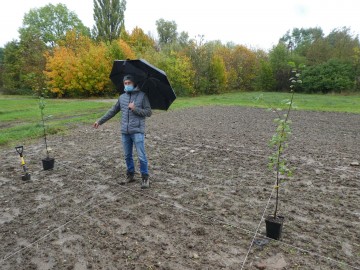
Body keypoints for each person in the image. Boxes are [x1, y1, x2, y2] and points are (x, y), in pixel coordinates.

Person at [93, 75, 152, 189]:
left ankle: (145, 177)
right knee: (127, 155)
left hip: (137, 131)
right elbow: (112, 111)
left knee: (141, 155)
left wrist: (135, 109)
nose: (127, 85)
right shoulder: (122, 97)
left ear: (134, 83)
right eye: (125, 83)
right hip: (125, 132)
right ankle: (130, 174)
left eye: (129, 83)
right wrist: (99, 121)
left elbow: (148, 112)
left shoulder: (142, 96)